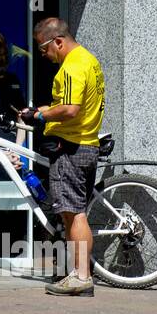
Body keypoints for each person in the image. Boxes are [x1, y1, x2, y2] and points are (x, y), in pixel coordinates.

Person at [20, 18, 106, 297]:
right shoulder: (89, 60)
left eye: (44, 49)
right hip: (85, 142)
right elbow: (73, 106)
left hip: (71, 146)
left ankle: (82, 277)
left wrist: (41, 115)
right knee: (72, 212)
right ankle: (76, 274)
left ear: (58, 41)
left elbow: (70, 109)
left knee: (74, 212)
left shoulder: (71, 66)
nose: (44, 55)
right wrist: (46, 109)